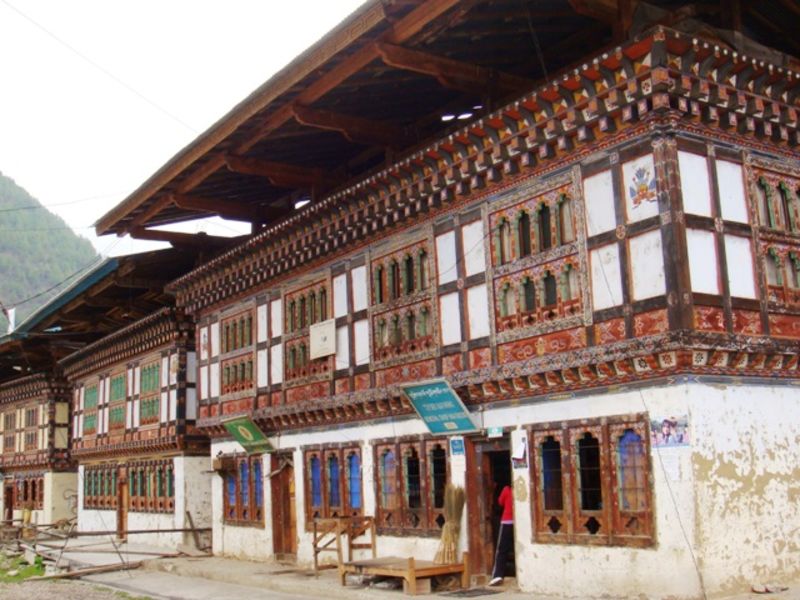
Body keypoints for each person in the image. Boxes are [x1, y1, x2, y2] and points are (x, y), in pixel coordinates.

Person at [489, 483, 513, 586]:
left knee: (502, 549)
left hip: (507, 522)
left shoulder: (506, 489)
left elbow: (499, 503)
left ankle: (497, 575)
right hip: (518, 523)